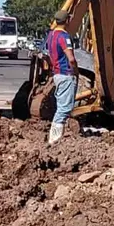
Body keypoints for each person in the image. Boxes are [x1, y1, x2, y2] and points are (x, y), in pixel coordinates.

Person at [46, 10, 78, 144]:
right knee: (64, 109)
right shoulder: (64, 37)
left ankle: (55, 138)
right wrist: (75, 71)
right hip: (66, 74)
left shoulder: (51, 35)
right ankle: (55, 140)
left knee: (61, 107)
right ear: (67, 20)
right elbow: (71, 58)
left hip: (57, 74)